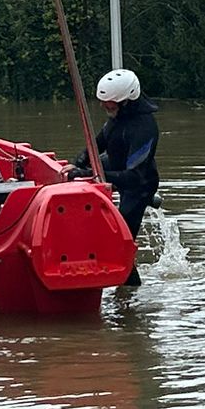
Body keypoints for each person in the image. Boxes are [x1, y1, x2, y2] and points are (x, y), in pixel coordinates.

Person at [82, 68, 160, 286]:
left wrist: (97, 174)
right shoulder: (118, 117)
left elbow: (135, 176)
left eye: (110, 105)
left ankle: (130, 296)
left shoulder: (145, 128)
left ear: (128, 101)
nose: (104, 107)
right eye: (103, 103)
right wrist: (78, 164)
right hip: (116, 168)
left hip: (139, 186)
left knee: (119, 244)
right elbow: (97, 144)